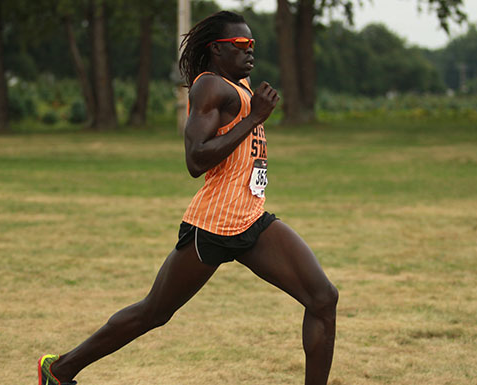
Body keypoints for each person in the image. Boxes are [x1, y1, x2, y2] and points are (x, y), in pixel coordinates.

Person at [38, 11, 338, 385]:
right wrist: (254, 118)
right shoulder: (210, 87)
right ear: (216, 50)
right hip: (212, 226)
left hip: (251, 221)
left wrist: (253, 114)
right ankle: (59, 369)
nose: (250, 53)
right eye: (240, 45)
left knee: (323, 299)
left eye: (252, 45)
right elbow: (196, 159)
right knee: (153, 313)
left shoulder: (240, 87)